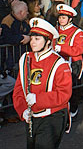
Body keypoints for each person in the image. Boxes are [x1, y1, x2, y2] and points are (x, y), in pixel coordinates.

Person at [12, 18, 72, 149]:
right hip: (32, 115)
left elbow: (64, 94)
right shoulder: (25, 59)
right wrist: (22, 110)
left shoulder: (60, 63)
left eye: (37, 39)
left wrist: (38, 99)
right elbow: (18, 88)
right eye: (32, 38)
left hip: (53, 117)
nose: (32, 42)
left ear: (48, 41)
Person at [54, 4, 83, 118]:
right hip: (59, 64)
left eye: (64, 17)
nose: (61, 20)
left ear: (70, 19)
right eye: (60, 17)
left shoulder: (77, 32)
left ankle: (73, 110)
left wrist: (62, 48)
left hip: (73, 63)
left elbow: (78, 50)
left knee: (71, 88)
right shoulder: (55, 31)